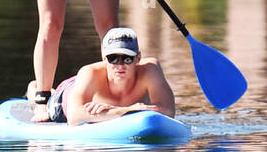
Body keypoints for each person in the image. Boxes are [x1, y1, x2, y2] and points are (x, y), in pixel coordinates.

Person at [46, 27, 176, 124]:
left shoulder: (150, 70)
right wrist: (128, 110)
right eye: (113, 58)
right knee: (52, 109)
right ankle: (35, 89)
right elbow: (74, 117)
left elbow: (168, 111)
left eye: (127, 58)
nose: (119, 65)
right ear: (104, 58)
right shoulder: (89, 73)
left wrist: (114, 110)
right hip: (69, 92)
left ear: (138, 58)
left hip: (88, 89)